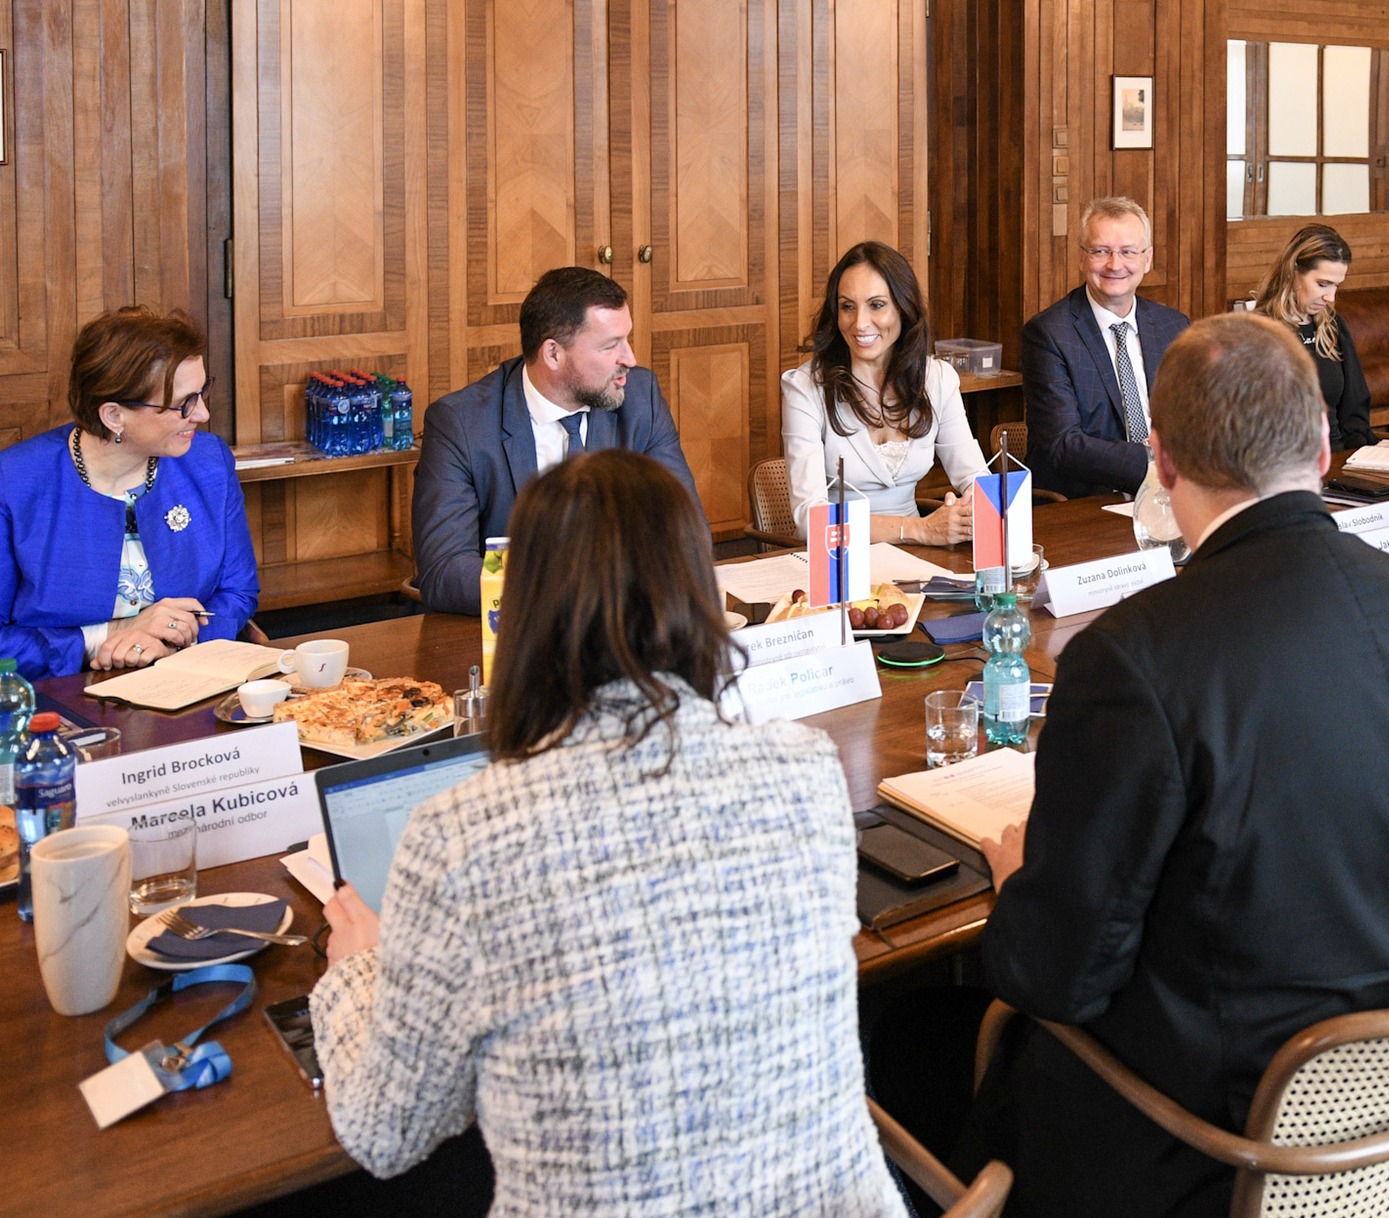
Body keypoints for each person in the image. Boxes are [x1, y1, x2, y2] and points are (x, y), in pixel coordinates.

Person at [962, 313, 1389, 1216]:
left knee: (952, 1036)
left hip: (1231, 1141)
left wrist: (1023, 885)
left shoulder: (1131, 659)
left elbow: (1058, 975)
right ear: (1325, 446)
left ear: (1162, 461)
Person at [312, 449, 902, 1217]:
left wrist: (357, 973)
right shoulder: (803, 769)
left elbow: (385, 1133)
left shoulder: (463, 834)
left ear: (524, 609)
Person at [413, 266, 706, 614]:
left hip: (624, 628)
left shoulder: (640, 398)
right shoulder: (461, 424)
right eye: (610, 345)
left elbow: (688, 534)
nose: (630, 359)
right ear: (553, 354)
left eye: (627, 339)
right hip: (516, 640)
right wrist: (572, 595)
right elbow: (445, 571)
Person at [0, 306, 257, 681]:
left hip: (190, 679)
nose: (201, 413)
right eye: (183, 403)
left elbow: (238, 592)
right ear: (114, 416)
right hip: (58, 697)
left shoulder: (209, 462)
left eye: (202, 393)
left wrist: (172, 642)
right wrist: (112, 636)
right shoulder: (14, 482)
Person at [781, 241, 982, 543]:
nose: (860, 323)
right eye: (848, 307)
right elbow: (810, 518)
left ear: (904, 307)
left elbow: (977, 482)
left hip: (920, 558)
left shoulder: (938, 379)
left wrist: (967, 511)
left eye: (876, 305)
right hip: (838, 562)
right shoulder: (806, 387)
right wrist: (920, 530)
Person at [1022, 197, 1192, 498]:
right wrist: (1158, 468)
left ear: (1147, 259)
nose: (1115, 265)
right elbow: (1064, 444)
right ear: (1081, 258)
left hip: (1173, 498)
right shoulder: (1049, 334)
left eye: (1128, 252)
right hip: (1085, 505)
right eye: (1101, 252)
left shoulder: (1174, 327)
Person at [1252, 223, 1373, 450]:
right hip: (1286, 464)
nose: (1330, 297)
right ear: (1293, 273)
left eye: (1336, 286)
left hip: (1336, 458)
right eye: (1322, 284)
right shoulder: (1260, 331)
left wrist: (1355, 457)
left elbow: (1355, 409)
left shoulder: (1332, 327)